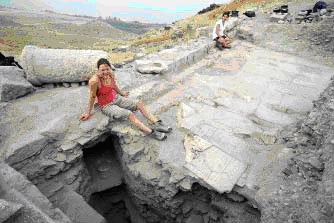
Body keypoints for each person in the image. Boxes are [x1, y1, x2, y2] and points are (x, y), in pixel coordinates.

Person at [80, 58, 172, 140]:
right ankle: (150, 132)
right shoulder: (94, 81)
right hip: (106, 105)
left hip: (116, 98)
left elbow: (114, 85)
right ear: (98, 70)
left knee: (139, 103)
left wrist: (121, 93)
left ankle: (157, 123)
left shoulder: (110, 74)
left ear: (110, 67)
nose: (105, 72)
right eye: (102, 70)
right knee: (129, 114)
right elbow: (92, 97)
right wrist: (88, 112)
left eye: (107, 69)